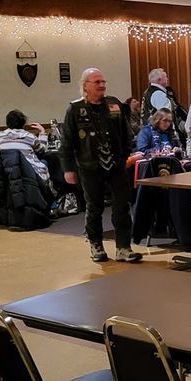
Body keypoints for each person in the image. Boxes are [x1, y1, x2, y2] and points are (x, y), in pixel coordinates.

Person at [60, 68, 143, 263]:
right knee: (94, 207)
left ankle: (123, 247)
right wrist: (68, 169)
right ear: (85, 86)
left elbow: (127, 134)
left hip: (116, 165)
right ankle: (96, 245)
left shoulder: (114, 105)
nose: (102, 85)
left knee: (122, 206)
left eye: (103, 81)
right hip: (89, 166)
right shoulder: (75, 109)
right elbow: (67, 142)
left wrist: (124, 157)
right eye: (97, 82)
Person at [0, 109, 52, 188]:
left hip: (7, 173)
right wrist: (42, 132)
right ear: (23, 123)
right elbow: (41, 150)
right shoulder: (30, 136)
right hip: (30, 174)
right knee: (44, 161)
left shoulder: (0, 136)